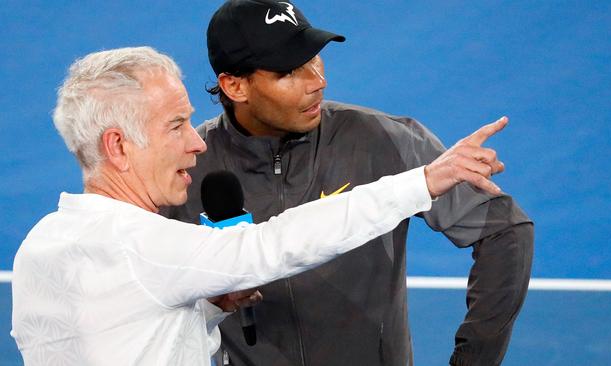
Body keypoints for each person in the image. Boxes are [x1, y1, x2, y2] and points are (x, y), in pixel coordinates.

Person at [11, 46, 508, 366]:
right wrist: (423, 181)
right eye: (175, 125)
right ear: (118, 146)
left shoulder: (43, 245)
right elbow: (277, 244)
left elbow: (125, 325)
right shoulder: (146, 250)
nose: (197, 143)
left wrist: (204, 307)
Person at [163, 1, 535, 365]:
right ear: (235, 87)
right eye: (289, 71)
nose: (317, 82)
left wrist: (473, 358)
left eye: (313, 59)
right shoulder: (186, 167)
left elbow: (505, 232)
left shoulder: (384, 139)